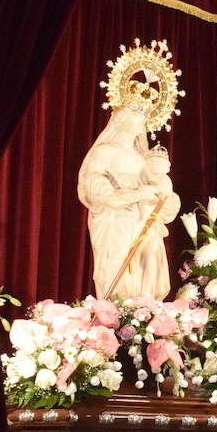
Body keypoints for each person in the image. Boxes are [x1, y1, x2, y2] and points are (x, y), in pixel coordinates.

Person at [77, 105, 181, 301]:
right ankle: (117, 312)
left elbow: (162, 191)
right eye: (136, 114)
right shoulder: (104, 151)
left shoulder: (144, 157)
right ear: (121, 118)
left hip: (144, 222)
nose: (141, 119)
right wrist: (133, 195)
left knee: (148, 263)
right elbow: (95, 186)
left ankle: (145, 311)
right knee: (118, 273)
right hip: (116, 221)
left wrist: (165, 196)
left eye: (143, 115)